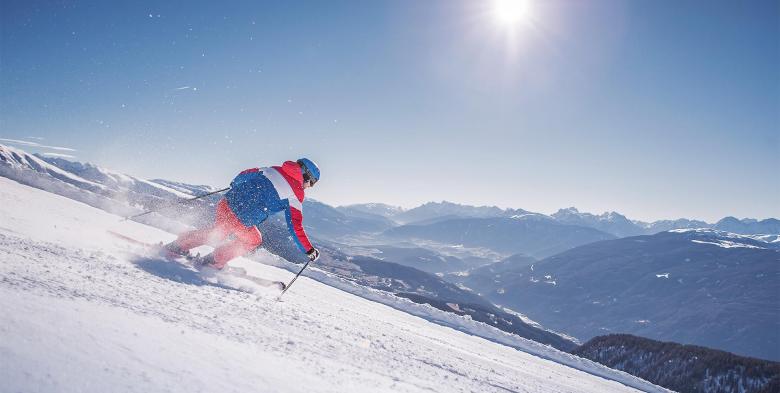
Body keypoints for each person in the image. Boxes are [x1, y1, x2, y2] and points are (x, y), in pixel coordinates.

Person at [165, 158, 321, 270]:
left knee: (218, 233)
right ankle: (214, 260)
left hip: (226, 203)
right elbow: (295, 226)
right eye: (311, 183)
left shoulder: (274, 169)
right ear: (306, 175)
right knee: (253, 239)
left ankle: (178, 245)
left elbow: (246, 173)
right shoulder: (296, 194)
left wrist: (235, 185)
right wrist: (308, 250)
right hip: (241, 219)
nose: (309, 187)